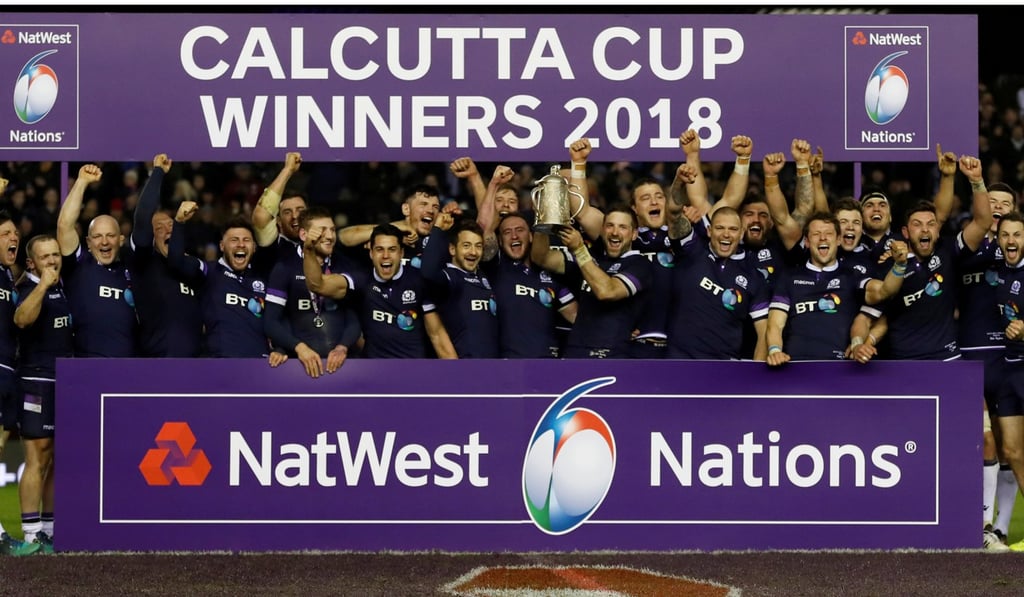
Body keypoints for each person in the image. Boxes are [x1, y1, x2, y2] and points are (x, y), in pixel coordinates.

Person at [959, 181, 1019, 548]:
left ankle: (1002, 527)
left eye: (1005, 204)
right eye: (991, 202)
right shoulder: (966, 247)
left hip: (1010, 361)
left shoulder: (1018, 255)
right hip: (969, 359)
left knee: (1010, 448)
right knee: (983, 443)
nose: (997, 207)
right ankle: (980, 523)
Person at [765, 212, 909, 364]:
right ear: (807, 241)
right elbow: (775, 323)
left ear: (839, 239)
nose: (823, 238)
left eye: (828, 233)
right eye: (816, 234)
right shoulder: (789, 277)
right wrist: (775, 351)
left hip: (839, 367)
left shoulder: (851, 277)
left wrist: (899, 265)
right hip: (796, 366)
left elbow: (884, 291)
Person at [5, 235, 71, 555]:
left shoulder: (63, 286)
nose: (53, 261)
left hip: (64, 381)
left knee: (56, 458)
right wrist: (43, 285)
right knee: (37, 456)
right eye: (45, 257)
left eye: (56, 255)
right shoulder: (30, 289)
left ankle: (48, 529)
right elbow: (21, 320)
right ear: (32, 262)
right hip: (35, 381)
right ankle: (31, 533)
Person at [304, 223, 456, 359]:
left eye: (392, 249)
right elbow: (317, 285)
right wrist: (309, 250)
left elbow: (437, 335)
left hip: (413, 369)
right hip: (375, 371)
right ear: (371, 253)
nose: (385, 256)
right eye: (379, 249)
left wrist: (460, 376)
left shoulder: (418, 281)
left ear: (401, 253)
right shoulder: (362, 280)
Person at [531, 206, 652, 359]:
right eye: (610, 226)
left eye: (623, 227)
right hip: (575, 352)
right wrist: (543, 218)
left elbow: (607, 292)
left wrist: (579, 250)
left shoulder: (640, 264)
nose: (615, 232)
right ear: (602, 231)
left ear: (634, 234)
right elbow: (541, 257)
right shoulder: (591, 259)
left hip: (612, 355)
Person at [264, 206, 361, 378]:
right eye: (322, 231)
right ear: (303, 235)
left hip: (343, 365)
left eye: (332, 230)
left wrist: (343, 346)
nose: (330, 236)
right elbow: (271, 321)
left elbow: (353, 317)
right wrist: (299, 348)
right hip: (299, 366)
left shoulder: (345, 265)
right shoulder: (284, 268)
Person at [167, 202, 270, 358]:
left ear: (254, 247)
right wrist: (179, 223)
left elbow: (277, 322)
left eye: (246, 240)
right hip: (222, 363)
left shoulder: (262, 279)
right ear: (222, 246)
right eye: (234, 240)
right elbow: (176, 261)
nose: (241, 244)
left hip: (260, 365)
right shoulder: (209, 271)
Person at [55, 164, 137, 357]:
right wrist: (81, 182)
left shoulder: (133, 271)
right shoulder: (79, 266)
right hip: (86, 369)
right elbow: (64, 226)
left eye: (110, 235)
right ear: (88, 243)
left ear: (121, 240)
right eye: (98, 236)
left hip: (129, 371)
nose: (105, 241)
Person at [127, 154, 203, 357]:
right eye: (159, 228)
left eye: (171, 225)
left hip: (199, 365)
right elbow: (143, 218)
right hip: (158, 363)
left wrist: (179, 224)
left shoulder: (192, 266)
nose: (168, 230)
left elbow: (178, 261)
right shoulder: (144, 262)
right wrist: (158, 172)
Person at [420, 217, 499, 358]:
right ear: (452, 249)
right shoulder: (450, 277)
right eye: (466, 245)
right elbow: (428, 272)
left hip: (493, 366)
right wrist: (438, 229)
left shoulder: (483, 276)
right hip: (465, 366)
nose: (473, 252)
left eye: (478, 246)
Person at [994, 210, 1024, 552]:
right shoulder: (999, 272)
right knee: (1013, 451)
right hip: (1009, 368)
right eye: (1006, 235)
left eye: (1017, 234)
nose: (1011, 241)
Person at [338, 184, 442, 269]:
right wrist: (395, 228)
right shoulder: (385, 237)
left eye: (435, 207)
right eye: (423, 204)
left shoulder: (438, 242)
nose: (430, 210)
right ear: (406, 209)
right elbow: (343, 237)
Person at [251, 152, 308, 266]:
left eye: (300, 210)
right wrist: (288, 170)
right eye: (287, 212)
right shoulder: (272, 242)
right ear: (279, 221)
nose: (295, 216)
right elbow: (260, 215)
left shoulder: (319, 242)